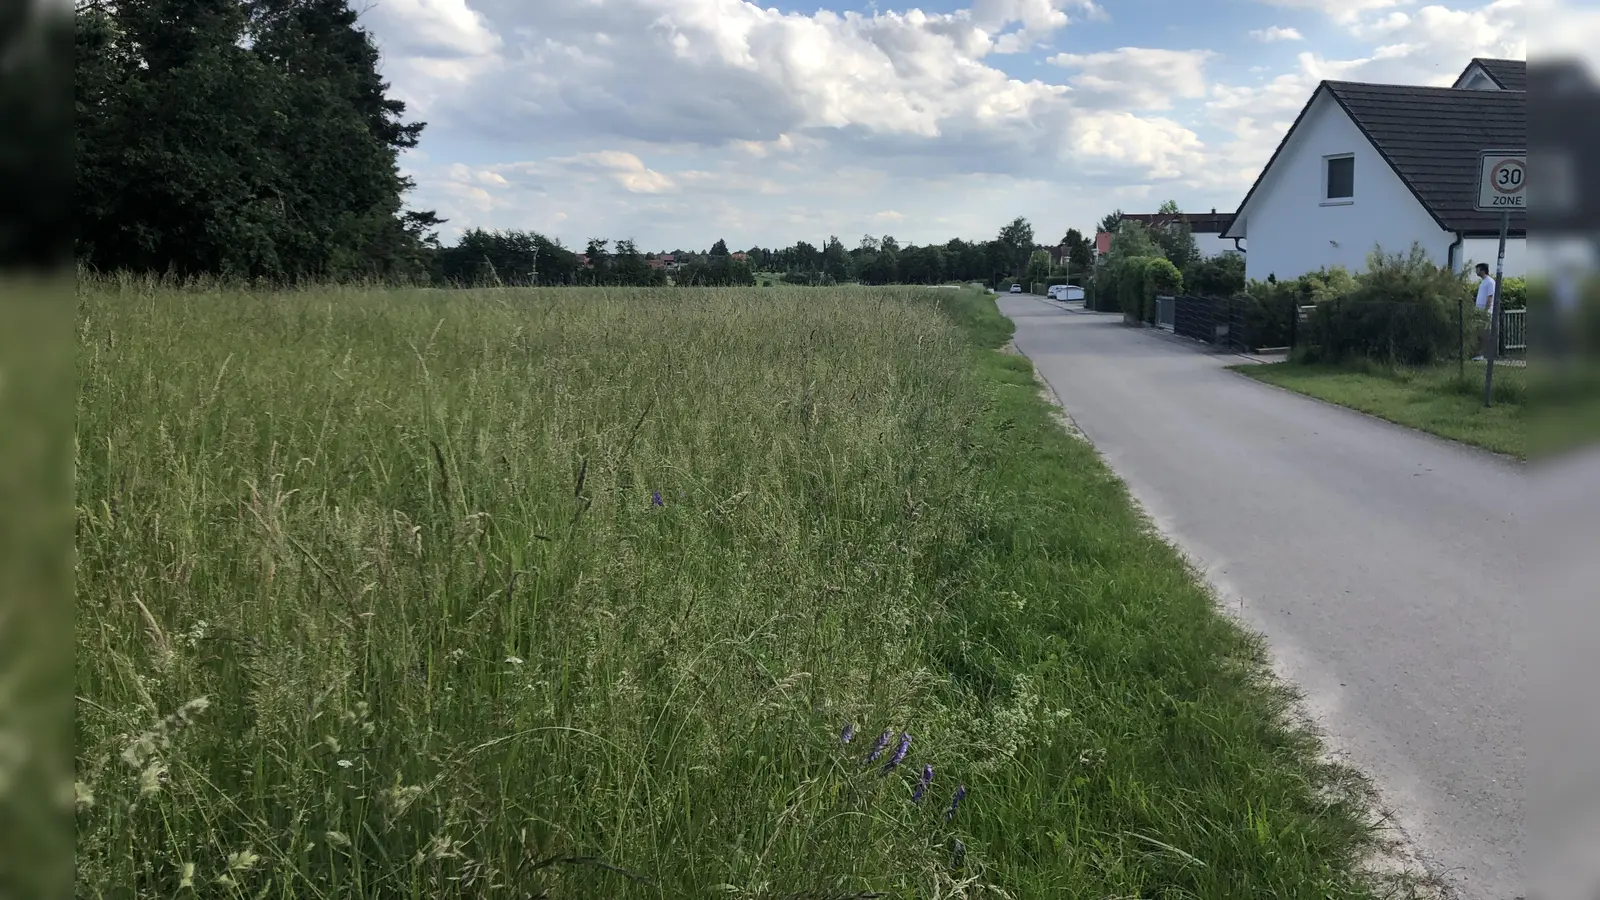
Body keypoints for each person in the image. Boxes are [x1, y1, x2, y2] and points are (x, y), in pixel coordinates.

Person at [1472, 263, 1496, 361]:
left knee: (1484, 333)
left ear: (1482, 270)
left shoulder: (1490, 282)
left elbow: (1489, 297)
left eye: (1477, 269)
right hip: (1480, 311)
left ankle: (1485, 354)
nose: (1476, 271)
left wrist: (1486, 311)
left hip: (1485, 312)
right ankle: (1479, 353)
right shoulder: (1483, 282)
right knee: (1479, 332)